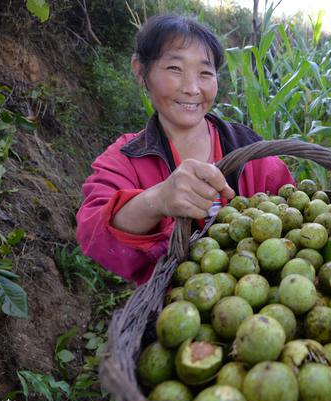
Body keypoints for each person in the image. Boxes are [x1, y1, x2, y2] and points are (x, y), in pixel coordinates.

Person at [76, 15, 294, 285]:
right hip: (174, 308)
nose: (192, 89)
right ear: (140, 71)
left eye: (205, 73)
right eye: (174, 69)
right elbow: (94, 233)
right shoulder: (127, 157)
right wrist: (157, 200)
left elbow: (292, 209)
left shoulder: (248, 149)